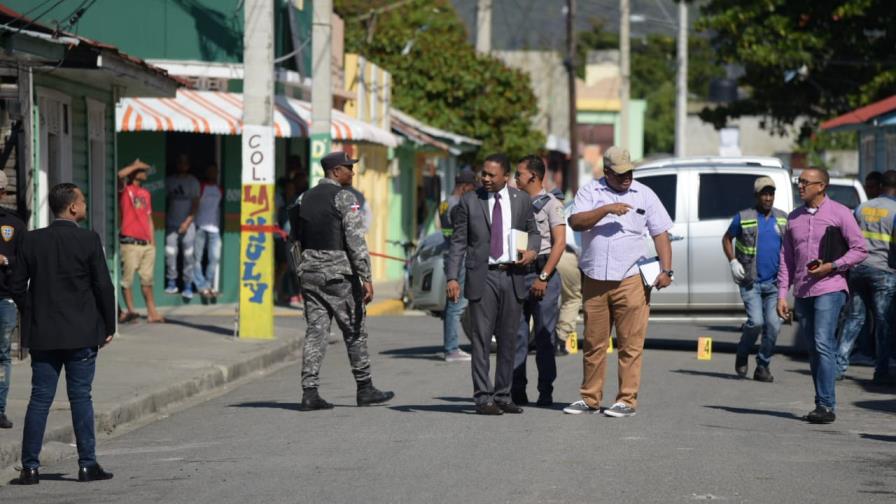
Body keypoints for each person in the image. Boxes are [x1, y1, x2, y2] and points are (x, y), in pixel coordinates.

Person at [9, 183, 116, 485]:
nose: (84, 204)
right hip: (82, 333)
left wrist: (31, 311)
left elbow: (16, 285)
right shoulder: (88, 240)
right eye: (82, 200)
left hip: (44, 334)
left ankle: (30, 468)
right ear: (72, 208)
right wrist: (108, 326)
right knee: (81, 396)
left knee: (40, 398)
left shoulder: (31, 241)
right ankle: (87, 464)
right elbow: (103, 287)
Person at [563, 146, 673, 418]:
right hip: (595, 279)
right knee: (593, 343)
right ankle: (589, 398)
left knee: (630, 343)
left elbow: (661, 233)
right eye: (621, 174)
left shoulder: (645, 194)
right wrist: (607, 209)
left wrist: (667, 270)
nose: (627, 178)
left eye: (630, 172)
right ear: (607, 171)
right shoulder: (590, 192)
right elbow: (576, 221)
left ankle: (626, 399)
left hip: (631, 279)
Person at [292, 151, 394, 411]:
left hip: (310, 273)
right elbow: (355, 240)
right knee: (355, 330)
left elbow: (294, 238)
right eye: (349, 167)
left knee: (316, 331)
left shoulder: (304, 198)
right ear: (335, 171)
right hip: (339, 275)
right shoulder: (344, 197)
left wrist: (301, 270)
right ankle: (365, 388)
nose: (353, 171)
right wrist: (366, 277)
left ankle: (309, 392)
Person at [445, 153, 540, 416]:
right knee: (482, 340)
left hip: (513, 276)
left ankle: (503, 395)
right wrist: (452, 277)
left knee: (509, 339)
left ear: (505, 177)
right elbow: (458, 242)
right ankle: (483, 398)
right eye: (483, 173)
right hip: (482, 276)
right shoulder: (469, 201)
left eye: (491, 175)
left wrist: (532, 251)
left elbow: (534, 232)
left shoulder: (521, 200)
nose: (485, 178)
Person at [777, 168, 867, 424]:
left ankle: (827, 405)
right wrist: (782, 294)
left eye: (805, 182)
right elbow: (786, 260)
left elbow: (860, 249)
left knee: (822, 342)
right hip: (803, 291)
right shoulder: (794, 218)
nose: (800, 186)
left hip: (831, 287)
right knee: (814, 350)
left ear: (821, 186)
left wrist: (833, 265)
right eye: (799, 181)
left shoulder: (840, 213)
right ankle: (821, 401)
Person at [511, 156, 566, 407]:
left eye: (519, 173)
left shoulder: (552, 204)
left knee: (544, 337)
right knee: (517, 336)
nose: (515, 177)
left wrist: (543, 277)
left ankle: (545, 391)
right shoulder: (515, 201)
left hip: (544, 272)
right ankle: (516, 390)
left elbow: (560, 243)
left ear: (533, 176)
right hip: (518, 273)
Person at [721, 176, 788, 382]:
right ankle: (743, 352)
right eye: (764, 194)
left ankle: (763, 365)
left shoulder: (783, 218)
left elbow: (791, 248)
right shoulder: (744, 216)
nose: (768, 198)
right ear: (757, 196)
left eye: (771, 193)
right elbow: (726, 238)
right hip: (751, 281)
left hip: (775, 284)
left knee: (774, 325)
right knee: (756, 322)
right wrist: (733, 261)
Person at [836, 169, 896, 384]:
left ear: (881, 186)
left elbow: (847, 236)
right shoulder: (895, 210)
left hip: (858, 269)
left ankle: (838, 366)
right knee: (884, 322)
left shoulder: (863, 207)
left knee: (854, 318)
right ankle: (882, 371)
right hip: (884, 271)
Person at [117, 159, 164, 324]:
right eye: (142, 170)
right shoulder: (125, 189)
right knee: (127, 280)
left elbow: (148, 217)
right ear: (134, 172)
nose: (145, 172)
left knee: (147, 280)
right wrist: (136, 165)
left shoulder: (145, 193)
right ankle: (131, 312)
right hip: (130, 242)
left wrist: (153, 242)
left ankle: (152, 312)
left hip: (146, 244)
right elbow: (119, 175)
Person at [439, 168, 477, 362]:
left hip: (448, 255)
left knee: (451, 305)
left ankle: (450, 347)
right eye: (472, 188)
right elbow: (463, 235)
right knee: (457, 305)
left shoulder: (445, 203)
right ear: (465, 187)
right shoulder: (458, 206)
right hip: (459, 258)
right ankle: (452, 349)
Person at [0, 170, 24, 430]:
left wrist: (5, 260)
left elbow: (24, 261)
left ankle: (0, 408)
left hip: (4, 299)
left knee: (3, 354)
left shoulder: (13, 224)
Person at [164, 154, 200, 299]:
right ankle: (172, 282)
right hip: (172, 223)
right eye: (180, 162)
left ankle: (187, 285)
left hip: (188, 225)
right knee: (170, 253)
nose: (182, 165)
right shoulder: (169, 181)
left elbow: (196, 204)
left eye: (185, 163)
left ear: (188, 165)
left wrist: (187, 221)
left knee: (188, 255)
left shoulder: (193, 182)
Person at [554, 189, 582, 356]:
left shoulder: (562, 210)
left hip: (552, 254)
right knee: (572, 298)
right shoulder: (579, 210)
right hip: (566, 255)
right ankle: (560, 339)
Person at [193, 163, 223, 300]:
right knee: (197, 258)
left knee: (214, 258)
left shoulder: (219, 189)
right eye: (210, 171)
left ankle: (207, 284)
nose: (213, 173)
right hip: (200, 226)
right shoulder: (201, 186)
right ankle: (201, 286)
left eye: (215, 171)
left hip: (214, 229)